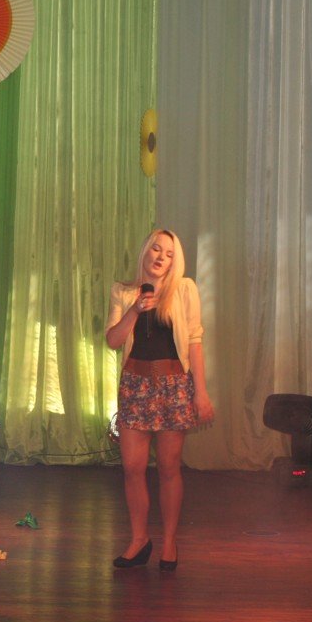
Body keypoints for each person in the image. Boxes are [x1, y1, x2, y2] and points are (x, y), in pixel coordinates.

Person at [105, 229, 214, 570]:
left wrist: (200, 391)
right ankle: (139, 540)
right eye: (156, 249)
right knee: (132, 468)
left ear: (173, 261)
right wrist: (135, 310)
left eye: (168, 254)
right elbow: (112, 340)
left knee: (169, 468)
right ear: (145, 251)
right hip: (134, 385)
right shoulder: (124, 291)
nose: (161, 257)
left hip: (173, 386)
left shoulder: (184, 289)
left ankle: (169, 541)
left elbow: (194, 341)